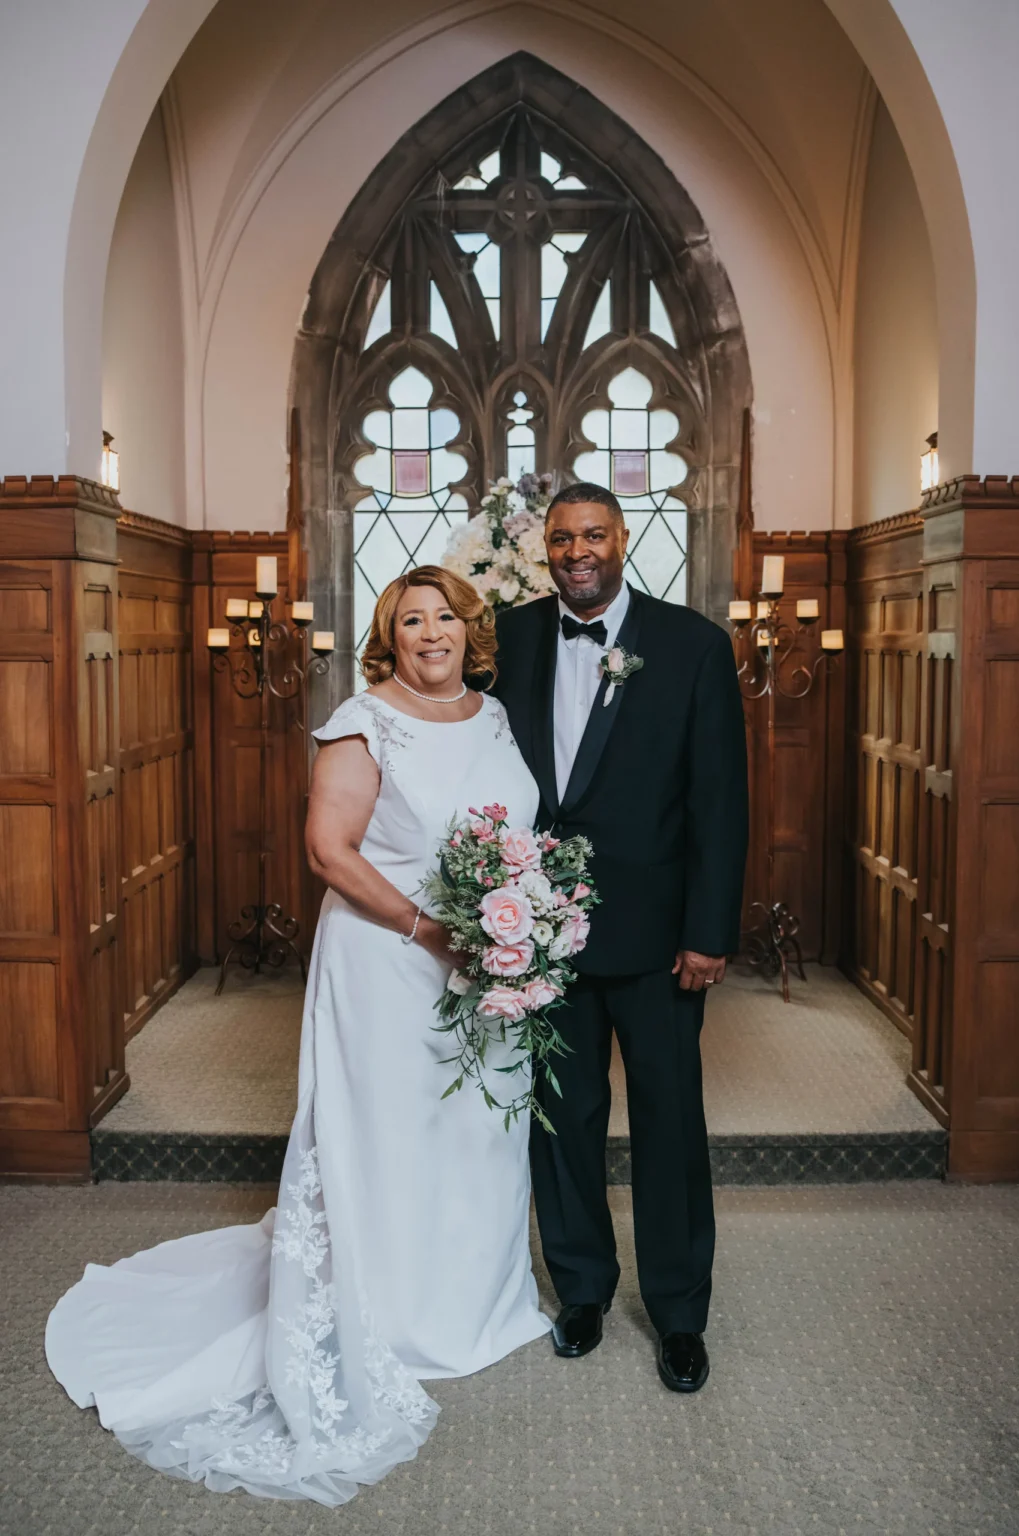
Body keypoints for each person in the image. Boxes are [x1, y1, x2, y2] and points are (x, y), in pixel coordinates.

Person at [45, 565, 550, 1504]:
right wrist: (430, 931)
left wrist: (516, 925)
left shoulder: (493, 715)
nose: (431, 634)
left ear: (470, 629)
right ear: (388, 638)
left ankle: (476, 1306)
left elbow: (511, 833)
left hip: (492, 966)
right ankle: (389, 1315)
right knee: (393, 1138)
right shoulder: (363, 723)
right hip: (392, 963)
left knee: (480, 1131)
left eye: (445, 617)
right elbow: (329, 851)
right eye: (411, 621)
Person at [492, 483, 748, 1393]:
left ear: (622, 538)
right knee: (563, 1124)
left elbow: (720, 801)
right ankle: (585, 1291)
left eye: (593, 534)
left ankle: (680, 1314)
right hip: (543, 938)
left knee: (670, 1126)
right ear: (543, 550)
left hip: (661, 942)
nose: (576, 551)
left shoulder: (692, 646)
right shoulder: (513, 636)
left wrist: (709, 931)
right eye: (561, 539)